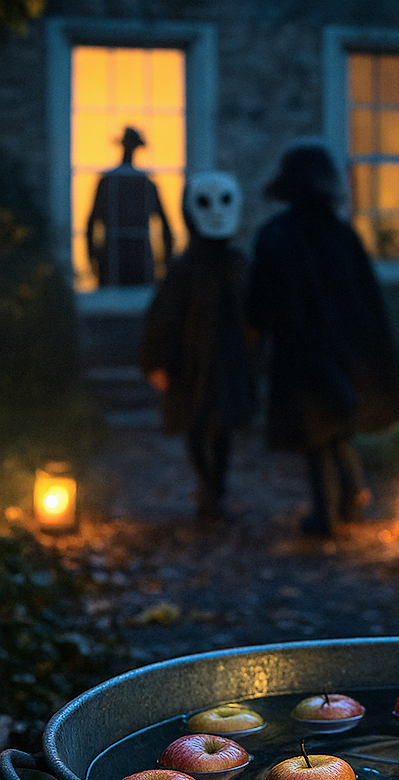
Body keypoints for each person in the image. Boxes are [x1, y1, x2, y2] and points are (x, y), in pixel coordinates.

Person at [247, 139, 399, 536]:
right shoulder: (340, 236)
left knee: (318, 433)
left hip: (302, 351)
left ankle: (329, 513)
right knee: (332, 427)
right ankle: (346, 500)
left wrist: (256, 343)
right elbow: (364, 301)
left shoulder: (277, 235)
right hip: (339, 349)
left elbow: (259, 304)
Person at [140, 171, 258, 524]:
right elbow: (164, 317)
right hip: (191, 363)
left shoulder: (236, 265)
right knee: (195, 424)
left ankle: (215, 490)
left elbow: (253, 312)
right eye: (206, 203)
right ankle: (209, 490)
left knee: (220, 427)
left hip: (227, 360)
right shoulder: (184, 269)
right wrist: (158, 361)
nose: (217, 212)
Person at [86, 126, 174, 287]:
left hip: (138, 259)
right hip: (114, 259)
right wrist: (92, 258)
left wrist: (166, 265)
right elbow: (91, 223)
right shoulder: (110, 182)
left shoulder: (144, 183)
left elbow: (166, 226)